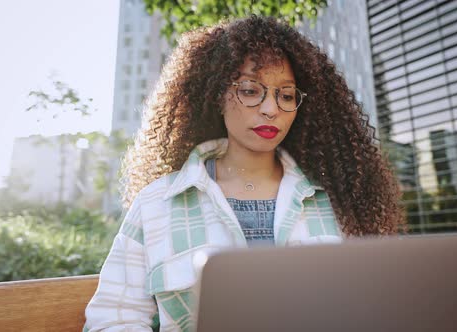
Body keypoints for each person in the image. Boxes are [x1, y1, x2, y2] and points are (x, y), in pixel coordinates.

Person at [84, 15, 405, 331]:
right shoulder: (155, 204)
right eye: (251, 90)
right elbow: (113, 319)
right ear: (216, 95)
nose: (271, 108)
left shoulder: (340, 202)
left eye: (287, 95)